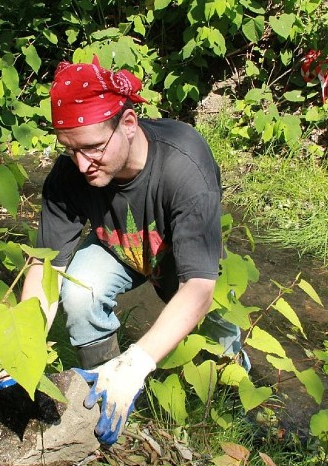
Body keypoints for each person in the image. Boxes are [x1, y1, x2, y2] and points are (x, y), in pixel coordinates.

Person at [20, 55, 246, 445]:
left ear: (128, 124)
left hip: (179, 258)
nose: (82, 164)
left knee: (215, 340)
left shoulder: (184, 164)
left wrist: (139, 361)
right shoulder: (69, 176)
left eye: (92, 148)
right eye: (70, 150)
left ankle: (233, 412)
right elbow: (45, 268)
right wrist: (21, 351)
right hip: (120, 249)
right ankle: (109, 396)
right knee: (79, 290)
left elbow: (199, 288)